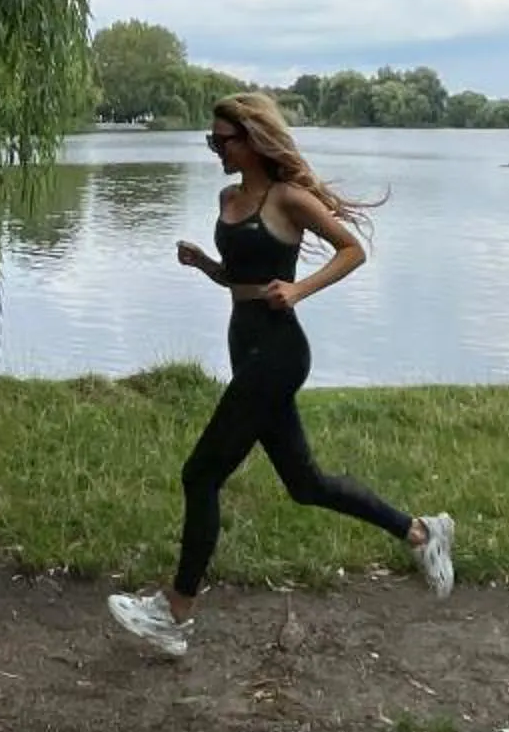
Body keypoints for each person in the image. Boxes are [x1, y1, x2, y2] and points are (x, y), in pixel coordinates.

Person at [108, 91, 453, 658]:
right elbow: (241, 278)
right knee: (306, 484)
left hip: (279, 352)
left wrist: (298, 290)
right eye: (210, 141)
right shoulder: (228, 196)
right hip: (246, 344)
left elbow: (351, 251)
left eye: (222, 140)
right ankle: (422, 533)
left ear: (252, 140)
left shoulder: (287, 197)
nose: (215, 149)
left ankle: (174, 612)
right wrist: (207, 266)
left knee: (200, 475)